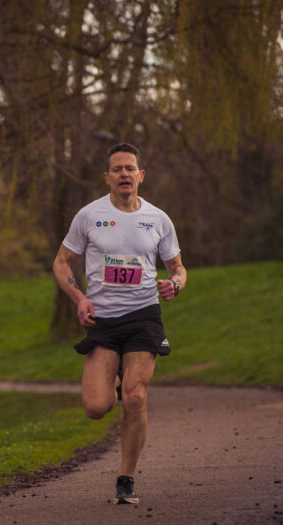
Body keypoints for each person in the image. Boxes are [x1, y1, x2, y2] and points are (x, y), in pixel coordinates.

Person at [52, 142, 186, 505]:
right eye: (117, 169)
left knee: (136, 397)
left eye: (130, 168)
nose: (124, 174)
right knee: (96, 408)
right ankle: (112, 380)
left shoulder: (158, 219)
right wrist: (79, 298)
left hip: (144, 315)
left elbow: (178, 267)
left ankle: (126, 478)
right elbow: (62, 262)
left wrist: (173, 284)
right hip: (103, 320)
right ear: (107, 177)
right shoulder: (89, 216)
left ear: (141, 176)